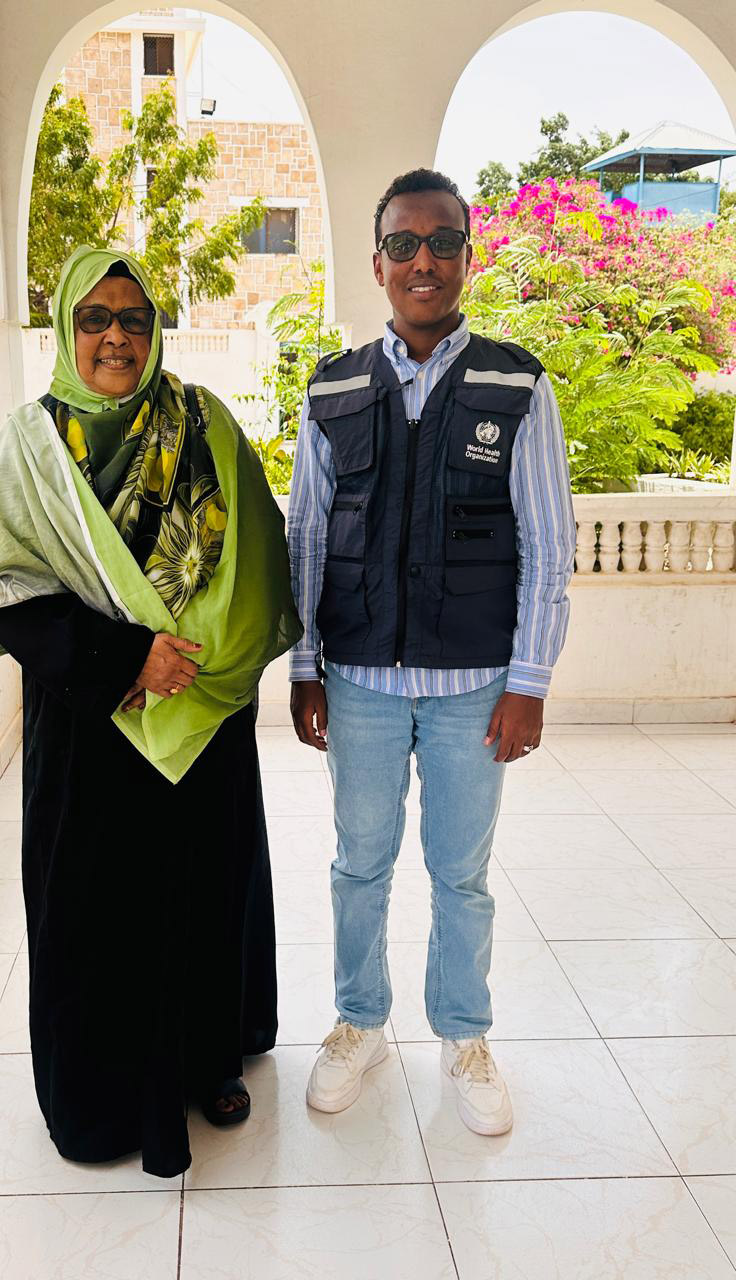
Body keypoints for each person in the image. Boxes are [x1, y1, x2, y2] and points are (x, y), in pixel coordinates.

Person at [0, 246, 301, 1178]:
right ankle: (103, 1096)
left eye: (136, 318)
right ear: (69, 330)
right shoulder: (31, 446)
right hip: (89, 724)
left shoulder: (205, 424)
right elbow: (7, 591)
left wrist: (197, 664)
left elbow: (259, 557)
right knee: (93, 905)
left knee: (204, 887)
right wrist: (126, 658)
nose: (117, 336)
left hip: (197, 717)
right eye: (97, 318)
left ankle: (206, 1062)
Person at [288, 169, 576, 1136]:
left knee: (461, 872)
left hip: (474, 689)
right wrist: (303, 665)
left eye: (442, 242)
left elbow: (548, 546)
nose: (424, 261)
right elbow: (306, 540)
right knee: (358, 865)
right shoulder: (332, 390)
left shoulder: (517, 384)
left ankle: (463, 1034)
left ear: (466, 255)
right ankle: (360, 1023)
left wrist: (528, 682)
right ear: (376, 264)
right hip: (361, 684)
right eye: (404, 245)